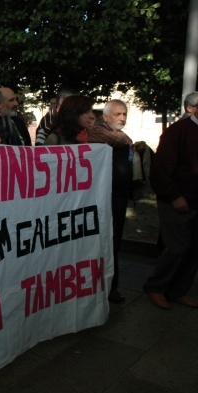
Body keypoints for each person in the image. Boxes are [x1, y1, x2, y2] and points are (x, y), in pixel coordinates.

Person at [143, 105, 198, 310]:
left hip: (195, 199)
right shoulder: (178, 130)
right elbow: (161, 169)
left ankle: (178, 291)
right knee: (176, 246)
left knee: (193, 250)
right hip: (177, 200)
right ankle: (156, 287)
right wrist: (175, 195)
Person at [88, 100, 135, 303]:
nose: (122, 118)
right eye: (117, 114)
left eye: (124, 114)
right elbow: (121, 140)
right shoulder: (99, 133)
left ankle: (111, 286)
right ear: (105, 117)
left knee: (114, 242)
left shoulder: (121, 138)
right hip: (104, 196)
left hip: (118, 196)